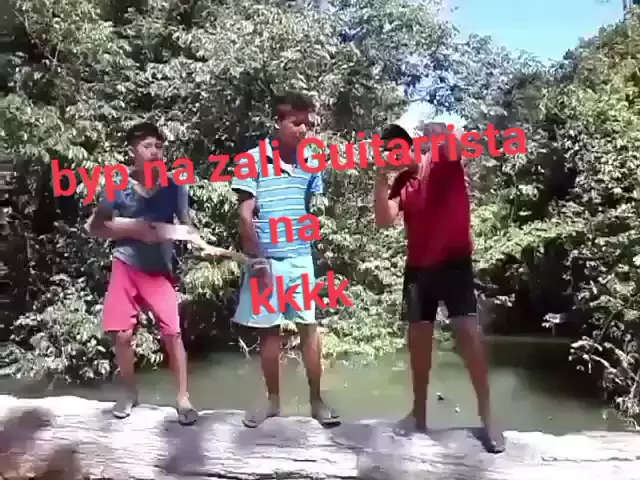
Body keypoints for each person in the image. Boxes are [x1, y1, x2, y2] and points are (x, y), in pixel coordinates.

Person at [373, 118, 505, 453]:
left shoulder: (442, 158)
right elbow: (384, 220)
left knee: (469, 338)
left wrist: (439, 132)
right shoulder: (400, 182)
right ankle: (419, 415)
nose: (394, 156)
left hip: (454, 264)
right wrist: (380, 176)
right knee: (418, 346)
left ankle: (488, 417)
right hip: (419, 270)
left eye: (397, 149)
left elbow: (460, 142)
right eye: (389, 153)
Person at [231, 91, 340, 428]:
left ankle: (317, 401)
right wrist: (259, 260)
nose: (303, 130)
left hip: (300, 258)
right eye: (296, 123)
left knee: (309, 328)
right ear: (277, 123)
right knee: (269, 333)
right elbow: (245, 217)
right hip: (266, 261)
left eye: (307, 124)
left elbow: (304, 207)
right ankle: (273, 402)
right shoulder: (251, 160)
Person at [85, 122, 198, 425]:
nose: (154, 152)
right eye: (147, 146)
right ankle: (129, 392)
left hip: (158, 269)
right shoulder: (117, 185)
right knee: (121, 335)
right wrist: (133, 228)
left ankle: (183, 398)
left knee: (172, 332)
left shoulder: (175, 186)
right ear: (132, 151)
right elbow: (94, 227)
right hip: (126, 264)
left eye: (159, 146)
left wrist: (194, 240)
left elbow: (186, 226)